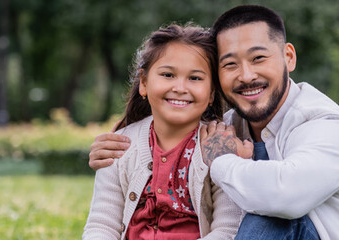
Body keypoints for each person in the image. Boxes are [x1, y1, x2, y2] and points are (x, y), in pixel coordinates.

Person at [89, 5, 339, 239]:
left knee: (270, 215)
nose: (246, 75)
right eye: (230, 64)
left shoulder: (326, 125)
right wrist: (114, 147)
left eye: (258, 58)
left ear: (288, 57)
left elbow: (284, 198)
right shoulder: (226, 127)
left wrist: (221, 161)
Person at [82, 24, 245, 240]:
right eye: (168, 75)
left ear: (212, 92)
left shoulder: (219, 145)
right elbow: (101, 226)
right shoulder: (119, 145)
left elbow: (228, 230)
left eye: (195, 78)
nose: (180, 87)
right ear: (144, 82)